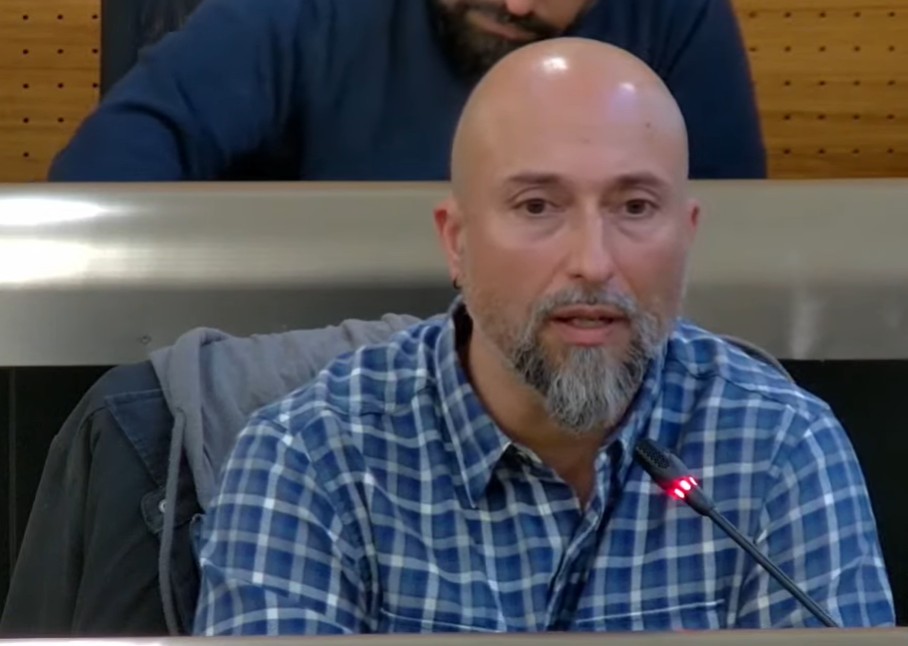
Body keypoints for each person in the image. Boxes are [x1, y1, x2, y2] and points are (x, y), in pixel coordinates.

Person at [192, 38, 893, 634]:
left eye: (635, 206)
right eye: (537, 206)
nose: (593, 261)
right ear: (457, 242)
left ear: (686, 236)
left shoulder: (780, 447)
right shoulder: (311, 457)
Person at [48, 0, 765, 182]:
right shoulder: (301, 13)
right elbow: (109, 167)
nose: (518, 4)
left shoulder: (677, 16)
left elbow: (733, 244)